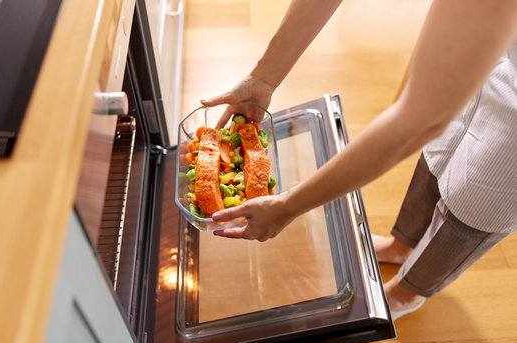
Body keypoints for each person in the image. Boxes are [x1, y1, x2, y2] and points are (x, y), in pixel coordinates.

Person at [201, 0, 517, 319]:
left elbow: (414, 124)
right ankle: (401, 246)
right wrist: (264, 79)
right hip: (492, 53)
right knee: (440, 155)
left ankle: (408, 292)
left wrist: (287, 208)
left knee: (477, 202)